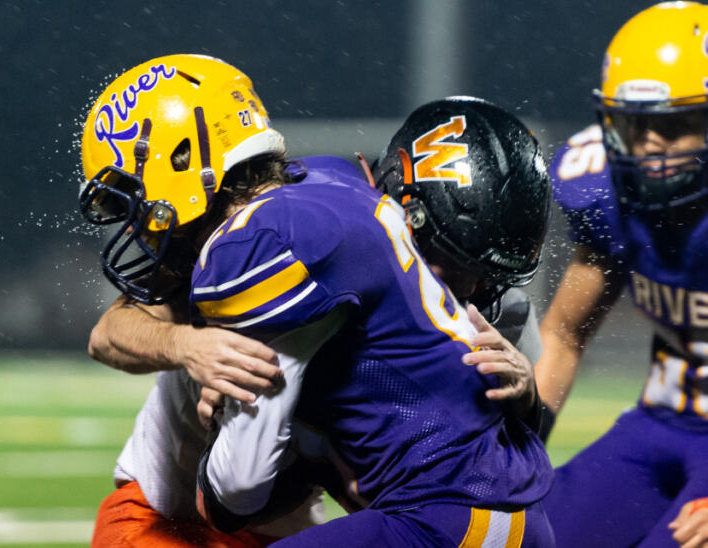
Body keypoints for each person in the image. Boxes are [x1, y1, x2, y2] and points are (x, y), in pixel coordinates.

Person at [80, 54, 555, 547]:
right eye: (453, 264)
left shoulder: (492, 316)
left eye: (485, 278)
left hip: (293, 514)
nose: (467, 292)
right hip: (176, 509)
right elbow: (109, 333)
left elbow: (491, 468)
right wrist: (187, 346)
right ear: (396, 208)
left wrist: (527, 401)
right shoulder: (284, 233)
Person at [535, 3, 708, 547]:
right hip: (664, 418)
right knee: (529, 535)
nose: (648, 147)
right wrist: (512, 456)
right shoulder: (610, 197)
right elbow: (563, 335)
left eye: (674, 125)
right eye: (636, 126)